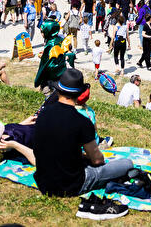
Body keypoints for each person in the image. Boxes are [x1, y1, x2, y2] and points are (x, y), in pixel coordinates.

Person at [31, 69, 131, 220]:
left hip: (43, 182)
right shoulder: (82, 122)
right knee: (127, 163)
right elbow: (97, 160)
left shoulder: (44, 113)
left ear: (58, 90)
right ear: (79, 94)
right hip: (71, 185)